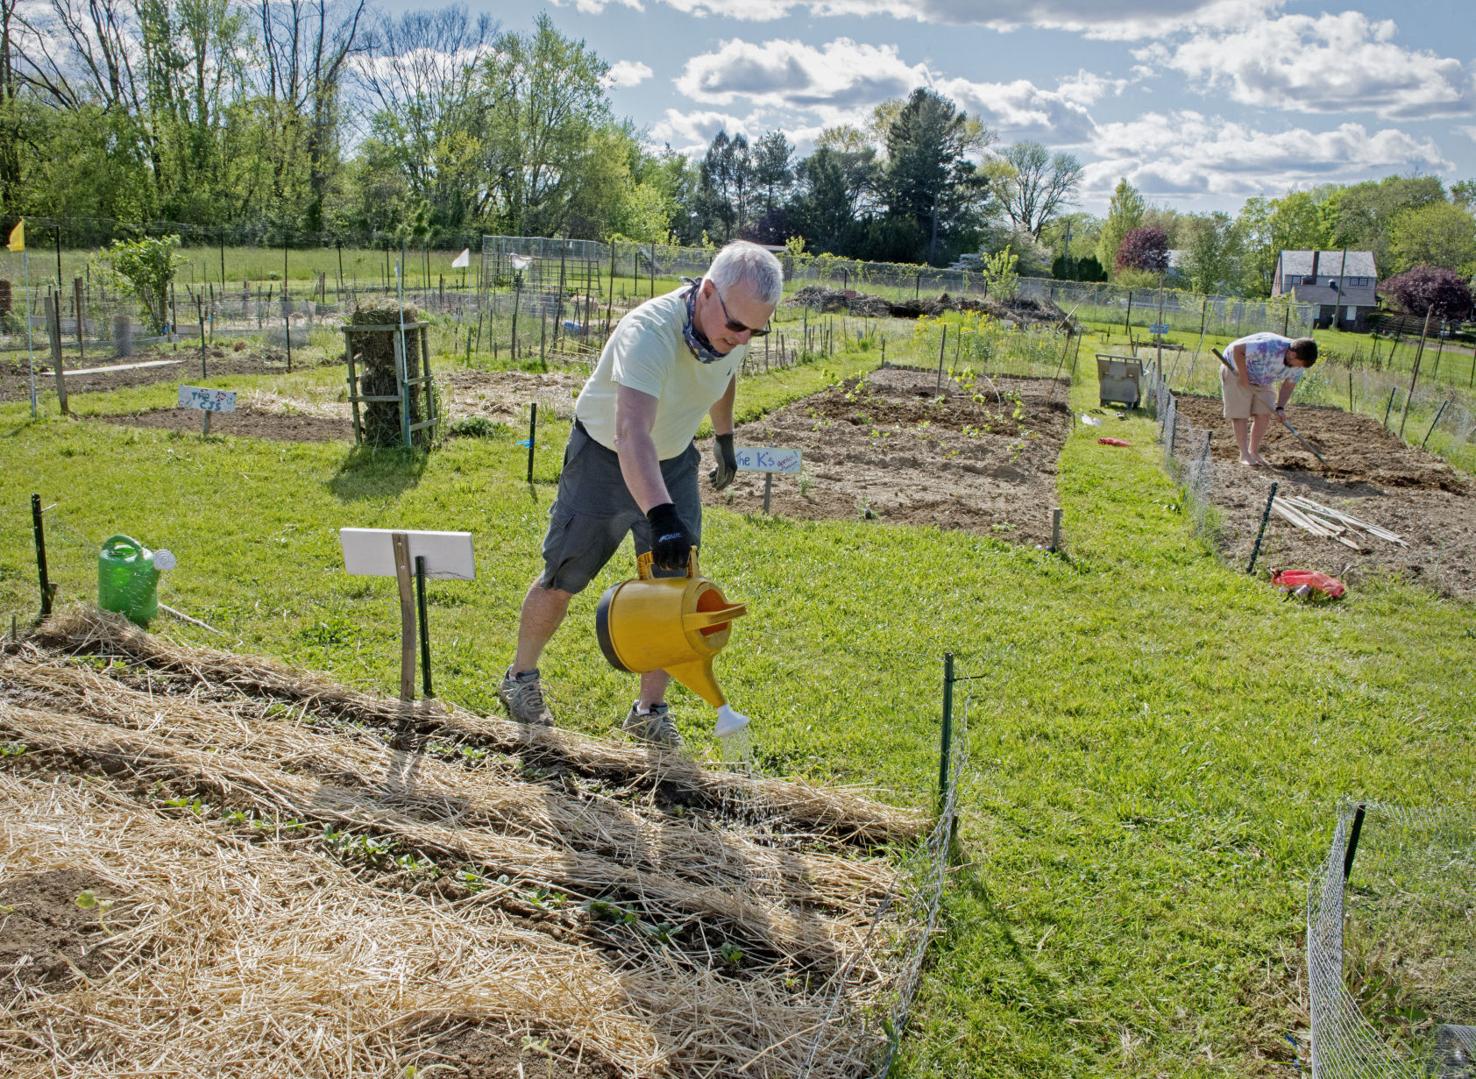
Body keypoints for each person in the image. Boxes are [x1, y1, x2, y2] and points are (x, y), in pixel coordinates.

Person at [498, 241, 783, 747]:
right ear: (708, 292)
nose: (741, 340)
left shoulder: (726, 335)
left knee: (675, 592)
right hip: (606, 458)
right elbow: (631, 432)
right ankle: (519, 679)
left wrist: (725, 439)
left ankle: (649, 711)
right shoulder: (649, 332)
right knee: (564, 575)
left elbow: (724, 379)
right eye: (737, 327)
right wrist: (662, 515)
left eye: (755, 333)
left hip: (672, 461)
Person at [1220, 331, 1318, 466]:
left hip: (1263, 376)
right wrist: (1244, 378)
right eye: (1299, 364)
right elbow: (1238, 350)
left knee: (1264, 413)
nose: (1299, 368)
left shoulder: (1299, 366)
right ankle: (1244, 454)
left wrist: (1280, 408)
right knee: (1240, 414)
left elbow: (1288, 386)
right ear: (1292, 354)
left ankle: (1253, 451)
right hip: (1236, 368)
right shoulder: (1268, 346)